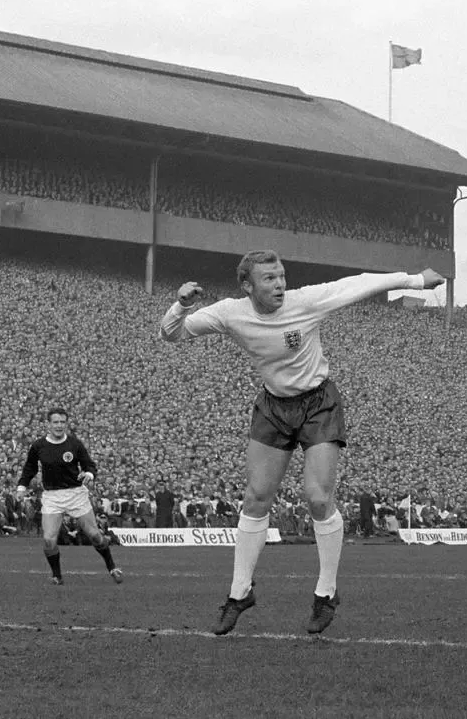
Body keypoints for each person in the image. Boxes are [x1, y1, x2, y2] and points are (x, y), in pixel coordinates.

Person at [160, 249, 444, 636]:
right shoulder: (230, 312)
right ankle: (239, 592)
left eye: (281, 276)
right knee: (256, 497)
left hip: (318, 404)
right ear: (247, 285)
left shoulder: (305, 302)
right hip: (273, 406)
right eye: (269, 279)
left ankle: (326, 593)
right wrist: (180, 304)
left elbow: (356, 284)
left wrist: (413, 280)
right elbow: (171, 333)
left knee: (317, 498)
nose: (279, 284)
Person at [16, 407, 124, 585]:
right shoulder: (38, 446)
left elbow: (89, 465)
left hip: (76, 494)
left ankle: (112, 567)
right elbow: (29, 468)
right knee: (49, 540)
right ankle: (57, 576)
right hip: (52, 496)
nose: (59, 425)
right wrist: (21, 487)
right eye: (55, 422)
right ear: (48, 424)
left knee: (95, 535)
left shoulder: (74, 444)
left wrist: (89, 475)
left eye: (62, 422)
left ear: (66, 423)